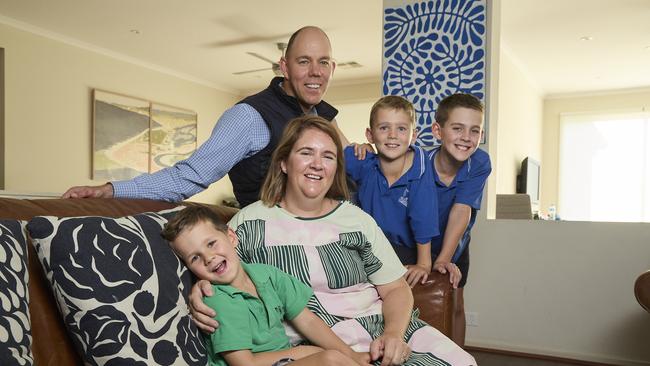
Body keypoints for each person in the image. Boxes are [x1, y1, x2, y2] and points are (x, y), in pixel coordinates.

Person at [188, 116, 477, 366]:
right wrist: (201, 286)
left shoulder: (356, 219)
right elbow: (217, 262)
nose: (317, 164)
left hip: (380, 328)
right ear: (284, 163)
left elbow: (396, 288)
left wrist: (393, 335)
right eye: (306, 153)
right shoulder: (249, 223)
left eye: (328, 156)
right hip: (312, 344)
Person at [62, 26, 359, 208]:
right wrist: (112, 190)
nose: (315, 72)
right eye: (304, 61)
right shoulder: (249, 117)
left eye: (323, 63)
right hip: (276, 248)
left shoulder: (323, 114)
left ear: (332, 68)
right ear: (284, 66)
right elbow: (188, 176)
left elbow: (353, 172)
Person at [161, 205, 370, 366]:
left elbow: (306, 320)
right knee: (330, 360)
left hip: (284, 360)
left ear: (231, 237)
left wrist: (351, 354)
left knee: (335, 358)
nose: (209, 257)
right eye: (195, 257)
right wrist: (301, 353)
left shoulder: (266, 275)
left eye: (211, 243)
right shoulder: (219, 300)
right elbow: (244, 363)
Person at [344, 96, 463, 290]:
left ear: (413, 135)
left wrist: (424, 264)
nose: (392, 135)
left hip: (408, 248)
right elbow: (327, 158)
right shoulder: (365, 162)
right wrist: (356, 147)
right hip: (371, 243)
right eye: (384, 128)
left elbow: (422, 218)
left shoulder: (420, 171)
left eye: (401, 128)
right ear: (370, 134)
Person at [427, 93, 492, 346]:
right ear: (438, 130)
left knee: (455, 301)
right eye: (457, 128)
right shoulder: (418, 164)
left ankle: (459, 357)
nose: (467, 137)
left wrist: (444, 259)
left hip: (456, 242)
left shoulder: (479, 162)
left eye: (475, 130)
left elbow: (462, 209)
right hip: (420, 243)